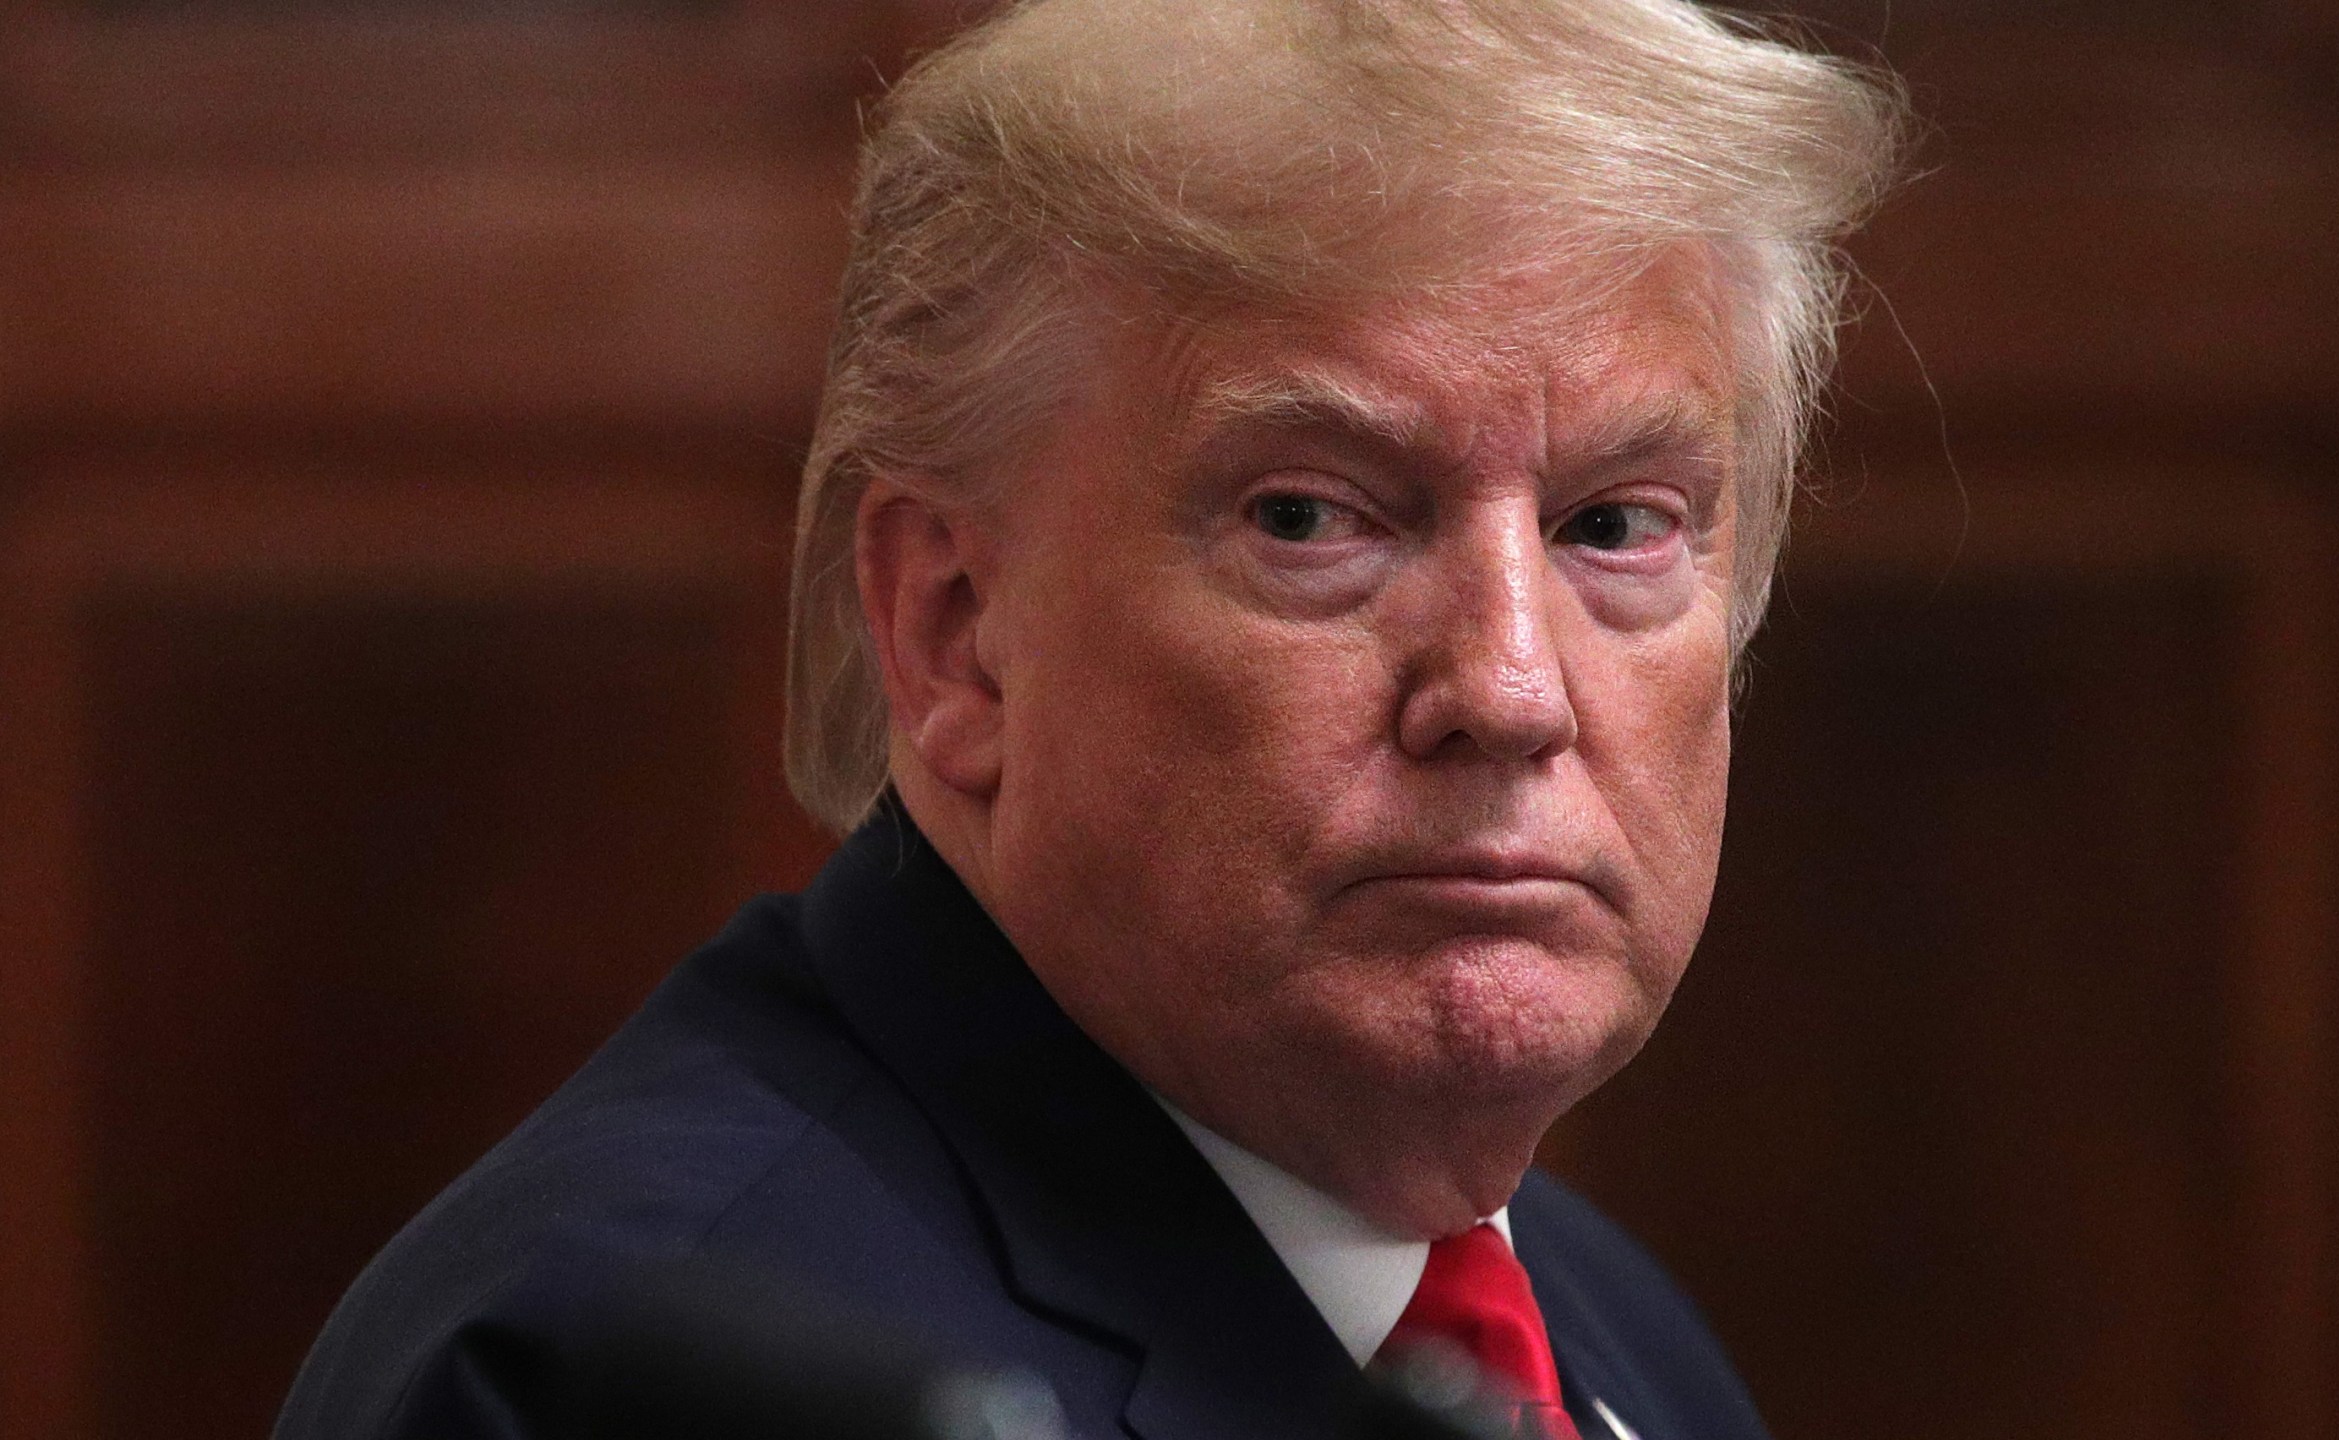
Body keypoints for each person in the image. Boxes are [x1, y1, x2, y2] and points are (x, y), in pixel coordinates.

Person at [276, 2, 1901, 1437]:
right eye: (1312, 519)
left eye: (1616, 526)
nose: (1510, 690)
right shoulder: (632, 1385)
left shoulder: (1605, 1336)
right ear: (958, 632)